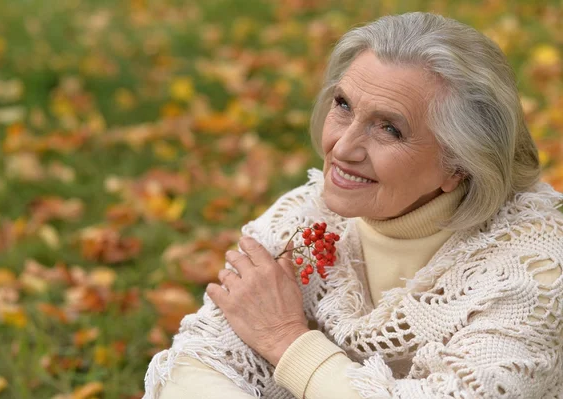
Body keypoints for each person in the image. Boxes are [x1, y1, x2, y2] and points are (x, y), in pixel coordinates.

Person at [144, 12, 563, 398]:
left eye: (390, 129)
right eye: (343, 105)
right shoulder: (305, 222)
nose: (342, 148)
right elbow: (199, 363)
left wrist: (287, 340)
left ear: (459, 164)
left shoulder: (532, 270)